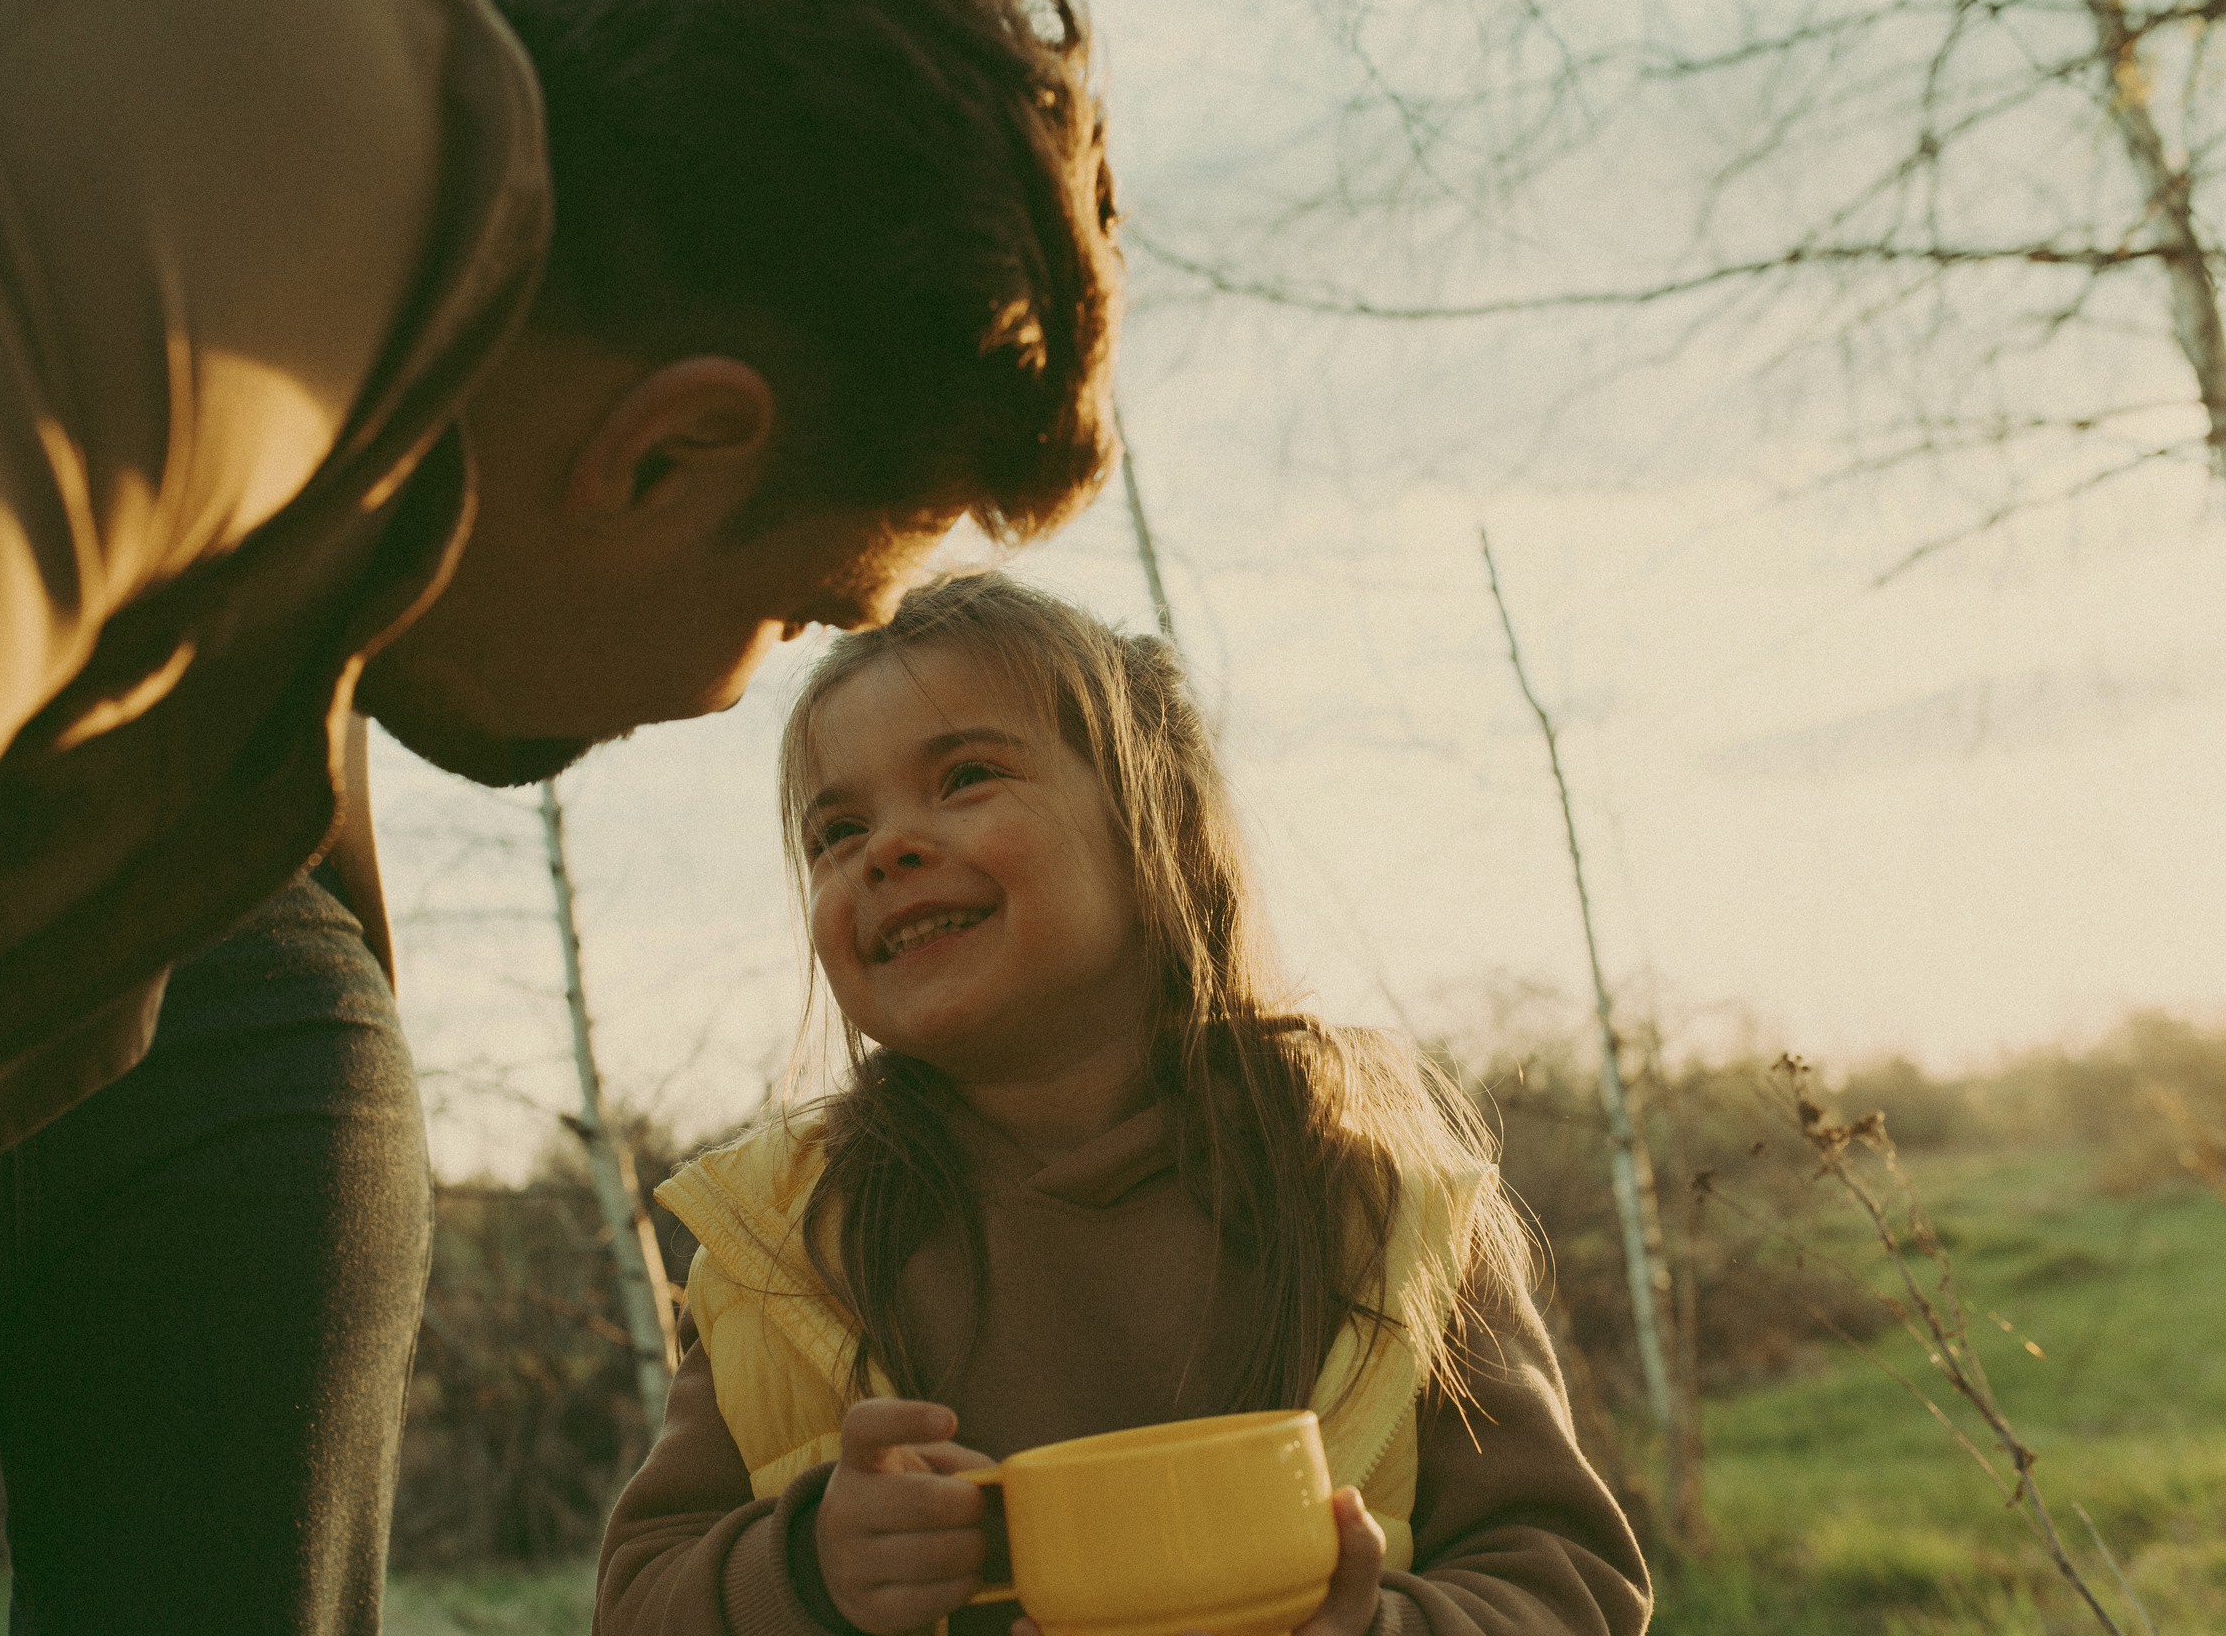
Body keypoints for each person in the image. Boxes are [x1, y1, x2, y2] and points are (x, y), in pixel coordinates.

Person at [0, 0, 1118, 1626]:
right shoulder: (120, 278)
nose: (736, 692)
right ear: (661, 450)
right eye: (793, 610)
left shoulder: (296, 302)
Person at [599, 574, 1654, 1636]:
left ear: (1161, 831)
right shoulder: (782, 1251)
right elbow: (637, 1605)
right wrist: (807, 1567)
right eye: (836, 832)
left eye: (964, 776)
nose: (885, 849)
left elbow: (1570, 1583)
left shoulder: (1384, 1208)